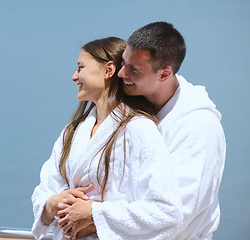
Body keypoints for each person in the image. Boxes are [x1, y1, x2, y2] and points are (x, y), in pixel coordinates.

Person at [62, 22, 226, 239]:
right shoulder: (128, 113)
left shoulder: (198, 128)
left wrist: (95, 214)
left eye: (134, 70)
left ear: (165, 74)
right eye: (124, 63)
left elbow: (178, 214)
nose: (121, 73)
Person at [31, 37, 183, 240]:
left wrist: (96, 215)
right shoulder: (72, 132)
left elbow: (167, 211)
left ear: (108, 70)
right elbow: (45, 189)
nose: (74, 77)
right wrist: (53, 203)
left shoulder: (139, 129)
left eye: (80, 67)